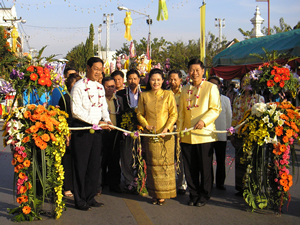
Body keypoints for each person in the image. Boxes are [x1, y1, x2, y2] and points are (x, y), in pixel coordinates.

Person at [178, 59, 221, 207]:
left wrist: (204, 121)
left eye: (197, 70)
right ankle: (193, 193)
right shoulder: (184, 90)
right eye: (191, 70)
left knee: (205, 167)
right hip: (187, 135)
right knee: (190, 168)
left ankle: (204, 195)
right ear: (188, 72)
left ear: (203, 71)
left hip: (204, 134)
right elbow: (182, 113)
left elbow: (215, 109)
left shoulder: (210, 87)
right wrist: (180, 132)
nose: (194, 73)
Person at [71, 57, 113, 211]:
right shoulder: (78, 86)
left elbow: (103, 108)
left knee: (95, 164)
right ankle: (80, 199)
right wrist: (95, 122)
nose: (98, 72)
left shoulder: (100, 88)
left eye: (100, 69)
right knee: (81, 165)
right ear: (88, 68)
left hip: (97, 130)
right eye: (95, 68)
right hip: (83, 129)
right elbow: (76, 112)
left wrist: (107, 120)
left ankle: (90, 196)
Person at [137, 68, 178, 205]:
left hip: (166, 136)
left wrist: (167, 128)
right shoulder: (144, 95)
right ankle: (154, 193)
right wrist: (146, 125)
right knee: (152, 165)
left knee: (165, 164)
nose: (156, 82)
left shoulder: (168, 94)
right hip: (150, 135)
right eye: (153, 79)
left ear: (162, 81)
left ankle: (164, 194)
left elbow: (173, 114)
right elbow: (139, 114)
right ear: (149, 80)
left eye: (159, 80)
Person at [231, 74, 264, 194]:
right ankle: (241, 187)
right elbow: (234, 116)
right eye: (243, 82)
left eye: (248, 82)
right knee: (240, 162)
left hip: (253, 135)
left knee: (252, 161)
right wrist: (233, 134)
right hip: (240, 134)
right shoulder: (238, 99)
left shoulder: (259, 99)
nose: (245, 84)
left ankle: (252, 187)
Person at [116, 69, 142, 194]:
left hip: (141, 130)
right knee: (126, 156)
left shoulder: (145, 94)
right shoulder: (120, 94)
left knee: (139, 155)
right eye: (130, 79)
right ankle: (128, 180)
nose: (132, 81)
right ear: (127, 80)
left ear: (139, 80)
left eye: (135, 79)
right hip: (125, 129)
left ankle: (139, 179)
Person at [99, 76, 124, 194]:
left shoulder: (119, 99)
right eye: (107, 86)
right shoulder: (99, 100)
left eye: (112, 86)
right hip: (102, 132)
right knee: (101, 159)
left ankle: (115, 184)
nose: (110, 89)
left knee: (114, 159)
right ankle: (100, 184)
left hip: (115, 133)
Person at [58, 73, 81, 197]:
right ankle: (67, 187)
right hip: (69, 131)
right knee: (67, 160)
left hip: (81, 132)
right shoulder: (65, 98)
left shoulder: (83, 97)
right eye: (74, 84)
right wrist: (66, 133)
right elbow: (62, 117)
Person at [208, 76, 232, 191]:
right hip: (207, 134)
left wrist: (228, 131)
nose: (213, 86)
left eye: (215, 84)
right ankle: (208, 182)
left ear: (219, 86)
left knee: (220, 160)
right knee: (207, 160)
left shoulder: (225, 100)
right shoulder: (204, 99)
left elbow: (229, 117)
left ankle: (220, 183)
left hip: (221, 134)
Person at [167, 69, 187, 195]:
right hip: (168, 129)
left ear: (181, 80)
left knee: (181, 157)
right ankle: (169, 182)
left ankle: (181, 184)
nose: (173, 82)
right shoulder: (165, 93)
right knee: (169, 156)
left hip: (181, 129)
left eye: (175, 79)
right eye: (171, 79)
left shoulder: (185, 93)